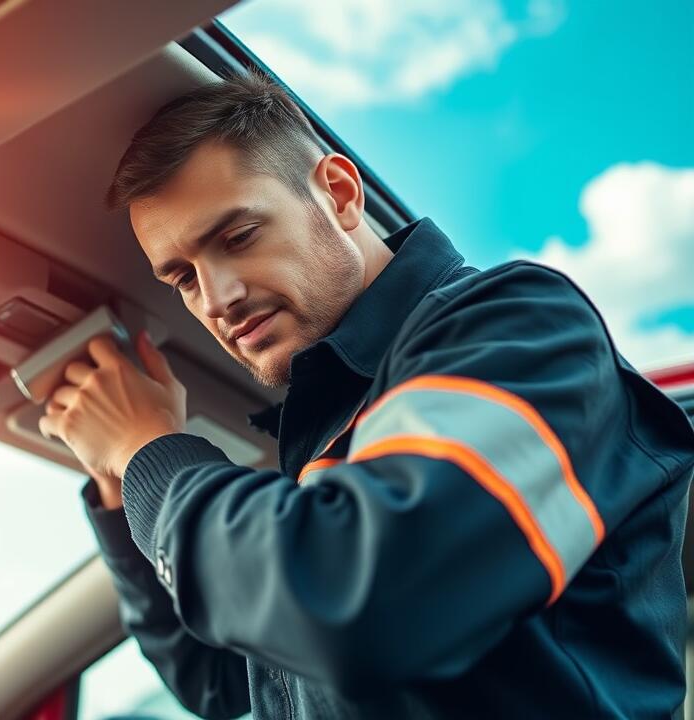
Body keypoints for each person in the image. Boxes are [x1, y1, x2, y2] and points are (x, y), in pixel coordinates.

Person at [37, 70, 694, 718]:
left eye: (237, 238)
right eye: (182, 277)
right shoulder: (327, 437)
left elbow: (367, 601)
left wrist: (149, 448)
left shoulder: (518, 321)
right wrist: (123, 483)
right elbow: (218, 680)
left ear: (339, 193)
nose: (217, 299)